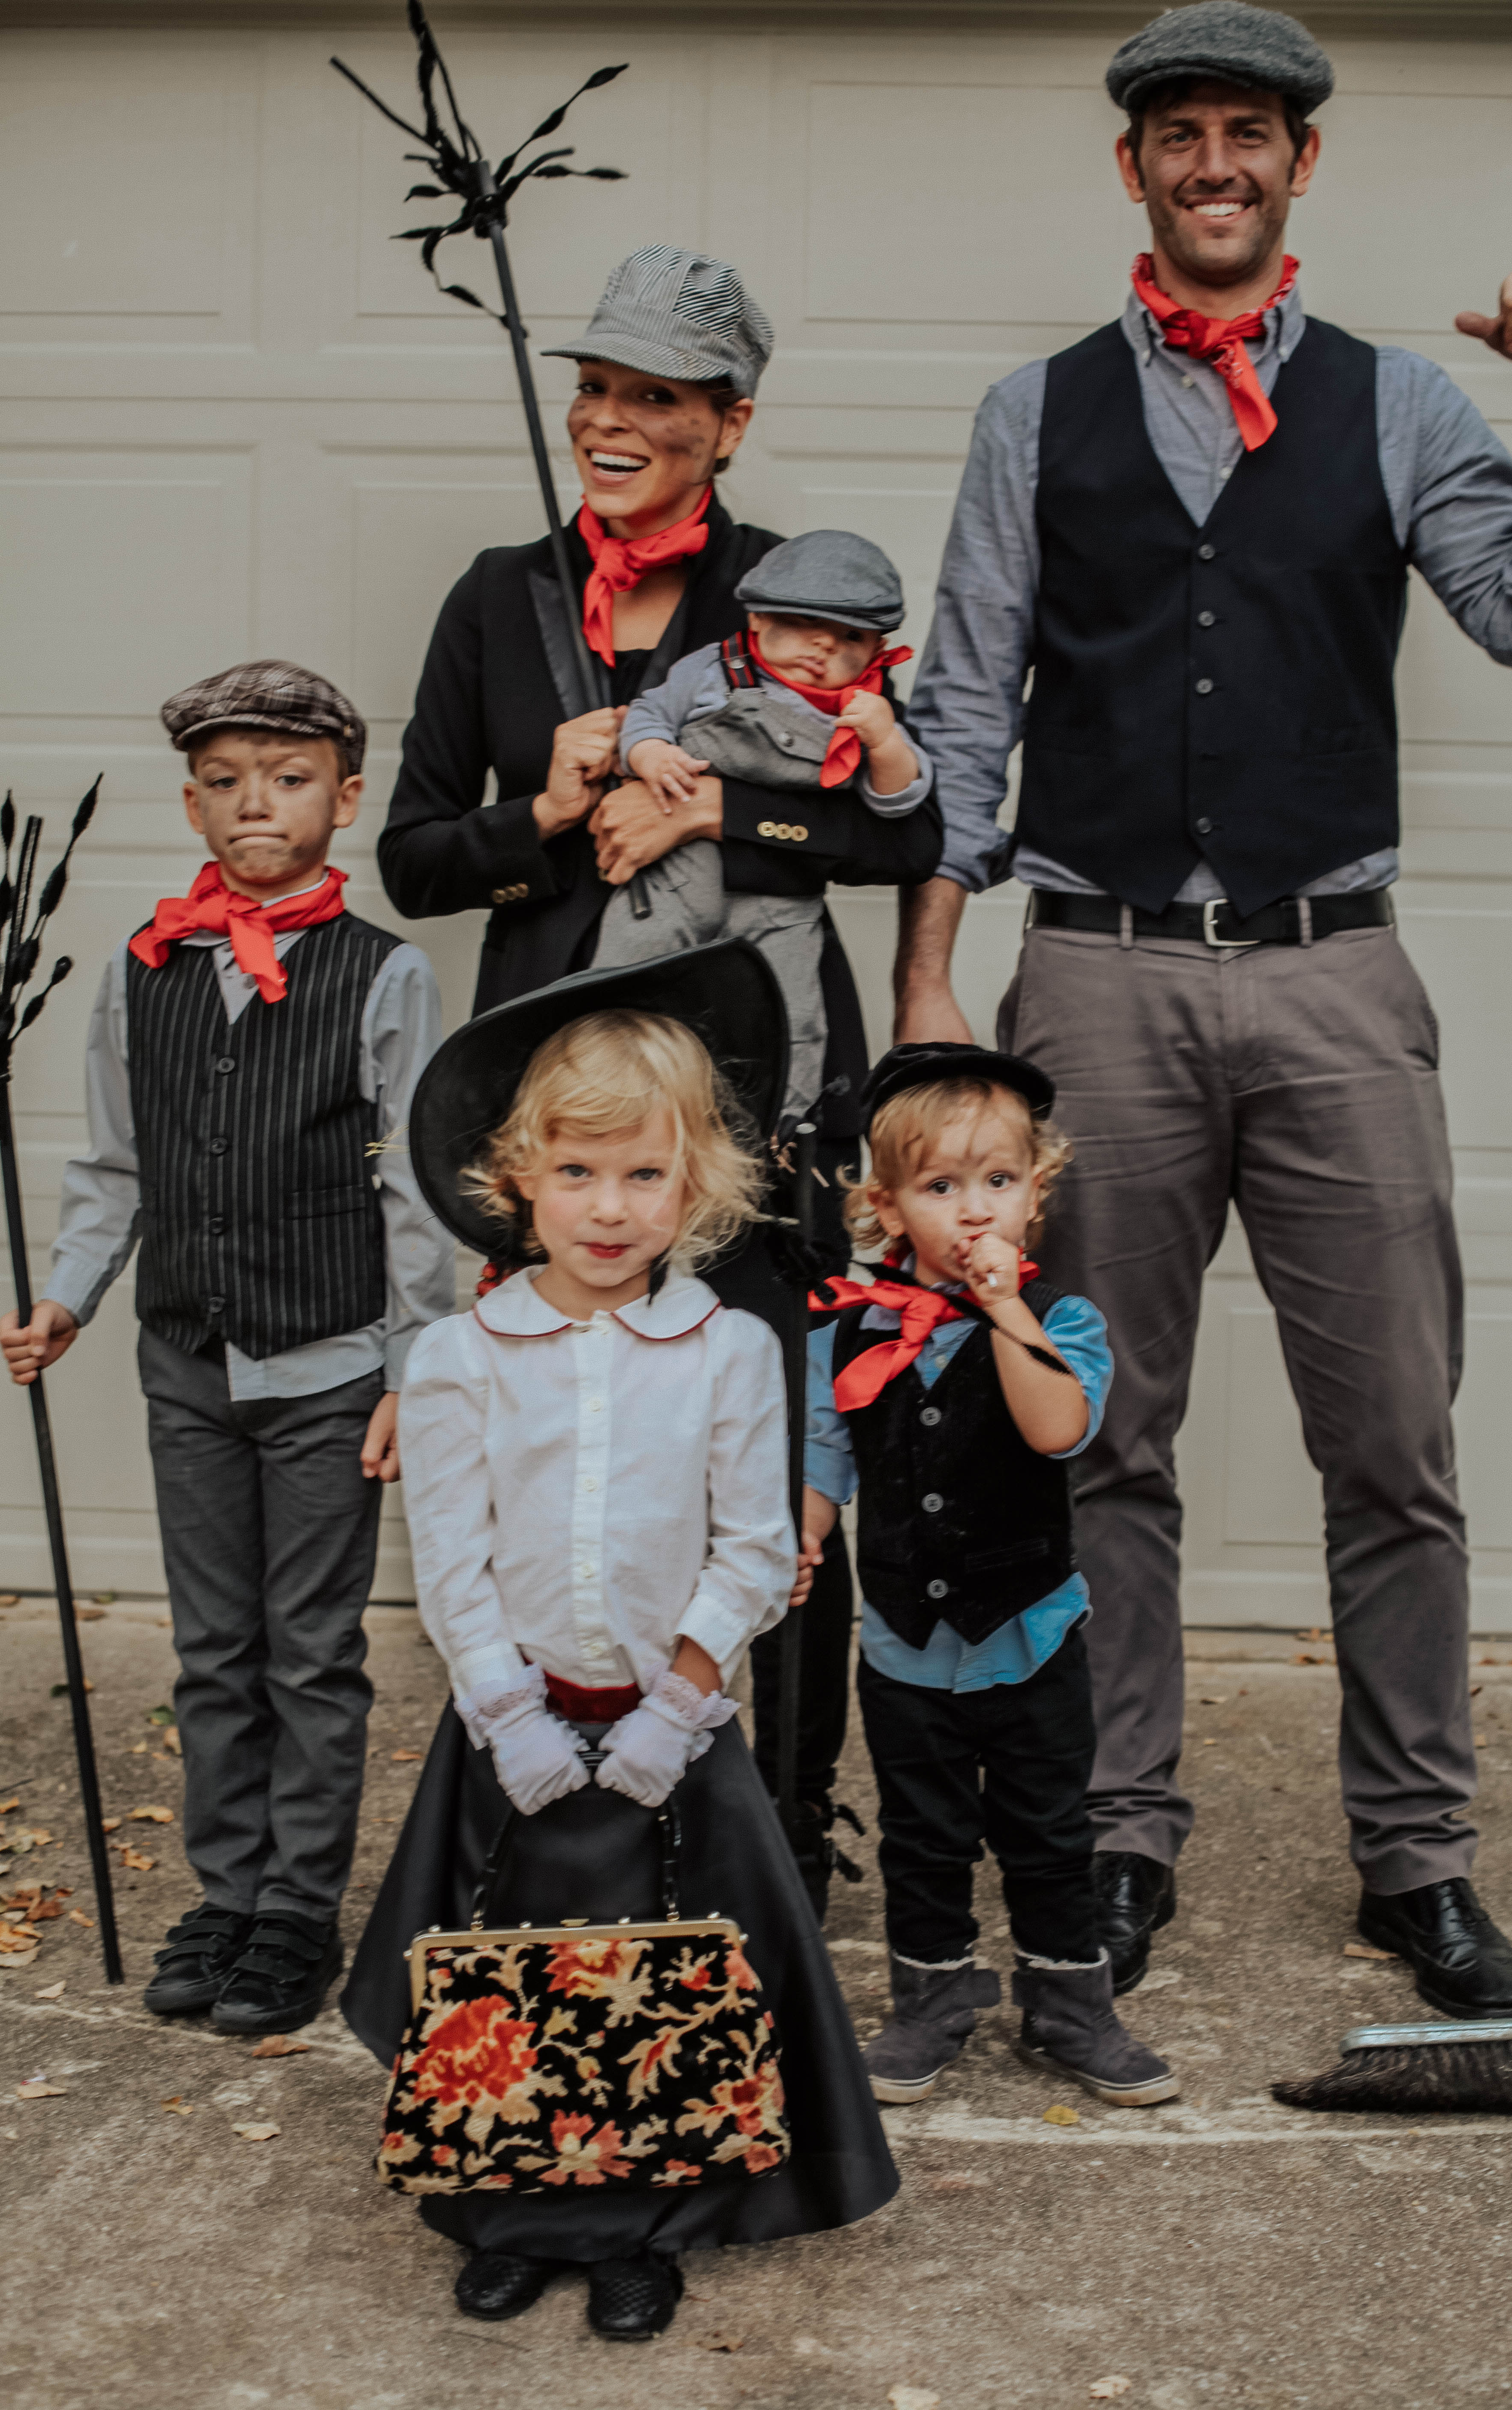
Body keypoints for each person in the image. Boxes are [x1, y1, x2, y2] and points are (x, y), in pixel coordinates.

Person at [895, 0, 1512, 2016]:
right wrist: (934, 980)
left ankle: (1417, 1859)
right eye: (1178, 132)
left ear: (1298, 166)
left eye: (1248, 132)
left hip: (1331, 966)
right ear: (1133, 168)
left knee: (1395, 1440)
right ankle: (1116, 1839)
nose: (1214, 162)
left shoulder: (1397, 409)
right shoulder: (1037, 413)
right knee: (1102, 1427)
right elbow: (961, 698)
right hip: (1090, 971)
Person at [381, 245, 943, 1900]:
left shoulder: (788, 584)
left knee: (772, 1467)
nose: (612, 420)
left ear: (729, 420)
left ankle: (776, 1826)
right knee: (563, 1474)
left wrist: (716, 810)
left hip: (755, 1087)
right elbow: (414, 857)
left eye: (656, 397)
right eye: (599, 389)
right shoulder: (500, 595)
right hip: (555, 1100)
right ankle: (571, 1827)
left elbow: (893, 820)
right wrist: (544, 812)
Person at [339, 945, 898, 2342]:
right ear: (519, 1174)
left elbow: (755, 1547)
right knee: (514, 1977)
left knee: (664, 1978)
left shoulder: (721, 1353)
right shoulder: (461, 1360)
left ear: (697, 1184)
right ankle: (515, 2214)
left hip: (669, 1728)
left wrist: (684, 1695)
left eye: (644, 1174)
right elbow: (451, 1552)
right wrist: (502, 1707)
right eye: (578, 1172)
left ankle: (651, 2225)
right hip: (516, 1727)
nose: (608, 1206)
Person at [0, 660, 454, 2034]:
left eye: (292, 777)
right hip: (185, 1360)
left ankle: (298, 1911)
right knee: (212, 1650)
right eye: (228, 780)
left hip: (327, 1366)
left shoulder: (384, 974)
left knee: (308, 1650)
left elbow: (410, 1179)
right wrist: (69, 1296)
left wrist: (413, 1367)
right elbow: (117, 1169)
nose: (260, 803)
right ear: (193, 804)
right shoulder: (146, 976)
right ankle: (229, 1890)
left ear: (347, 798)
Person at [798, 1042, 1176, 2111]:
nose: (975, 1211)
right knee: (924, 1835)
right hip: (906, 1641)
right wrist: (806, 1535)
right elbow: (826, 1451)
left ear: (1036, 1193)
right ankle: (933, 1995)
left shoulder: (1062, 1325)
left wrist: (1005, 1311)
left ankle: (1071, 2002)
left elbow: (1058, 1429)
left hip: (1031, 1633)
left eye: (998, 1183)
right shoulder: (850, 1328)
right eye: (942, 1187)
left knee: (1048, 1834)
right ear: (885, 1206)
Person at [595, 530, 932, 1120]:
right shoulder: (710, 671)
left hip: (783, 898)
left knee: (792, 1012)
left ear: (879, 648)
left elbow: (901, 812)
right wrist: (648, 754)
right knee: (635, 974)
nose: (824, 646)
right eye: (804, 624)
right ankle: (611, 1093)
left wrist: (883, 740)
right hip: (680, 874)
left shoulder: (865, 705)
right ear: (756, 620)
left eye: (851, 637)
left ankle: (784, 1123)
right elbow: (649, 714)